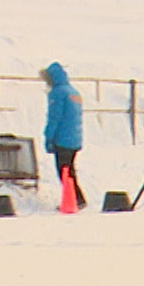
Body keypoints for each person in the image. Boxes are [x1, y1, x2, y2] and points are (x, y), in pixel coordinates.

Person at [41, 62, 85, 210]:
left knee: (64, 172)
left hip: (62, 139)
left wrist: (49, 138)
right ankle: (77, 198)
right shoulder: (73, 92)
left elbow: (54, 118)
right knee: (70, 170)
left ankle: (73, 200)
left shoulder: (57, 93)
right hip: (74, 138)